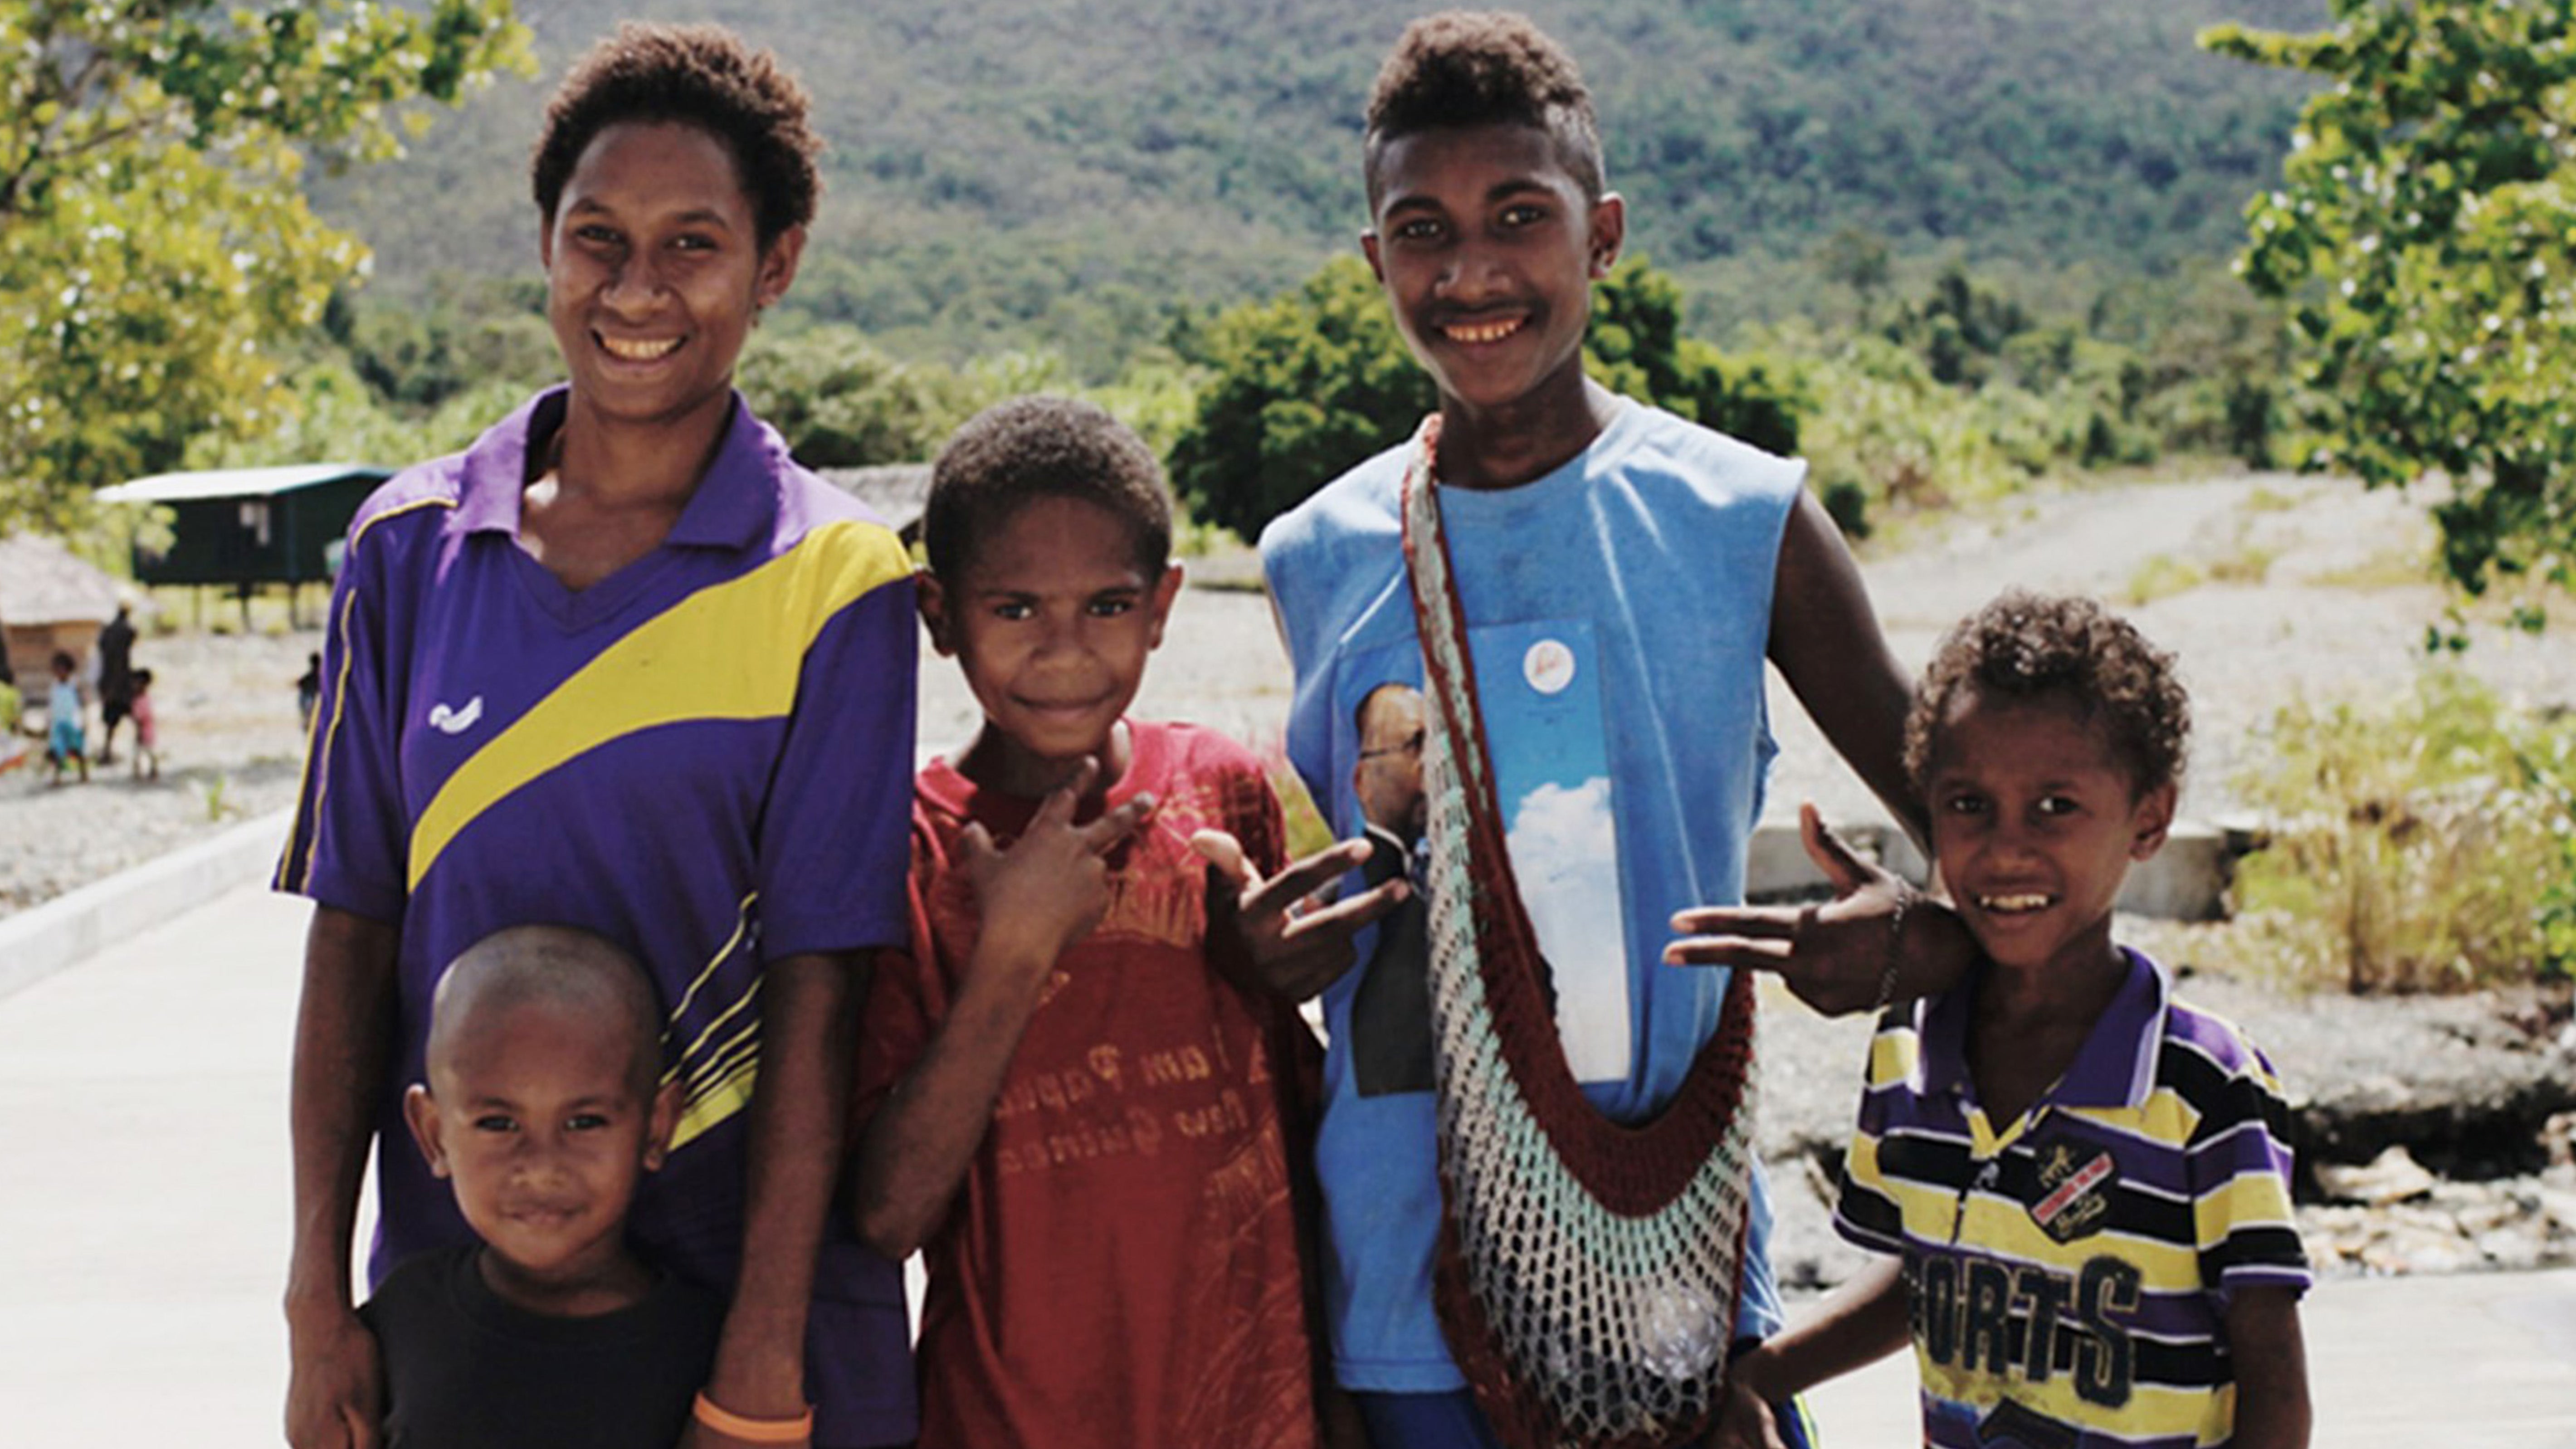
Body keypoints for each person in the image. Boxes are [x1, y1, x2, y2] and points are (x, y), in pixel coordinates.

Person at [1249, 13, 1971, 1446]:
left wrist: (1915, 940)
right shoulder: (1317, 551)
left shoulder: (1741, 517)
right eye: (1421, 229)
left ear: (1604, 234)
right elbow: (1340, 888)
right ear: (1373, 261)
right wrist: (1265, 962)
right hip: (1404, 1257)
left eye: (1521, 216)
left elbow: (1981, 831)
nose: (1471, 271)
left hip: (1669, 1246)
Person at [274, 24, 919, 1449]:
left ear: (778, 263)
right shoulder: (409, 549)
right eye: (597, 239)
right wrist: (319, 1298)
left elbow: (823, 992)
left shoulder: (834, 579)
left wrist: (759, 1350)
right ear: (547, 247)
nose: (637, 289)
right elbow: (353, 938)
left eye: (694, 242)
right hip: (462, 1315)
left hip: (747, 1307)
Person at [849, 396, 1339, 1449]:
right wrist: (1012, 955)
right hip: (1011, 1420)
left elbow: (1299, 1125)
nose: (1065, 653)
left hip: (1254, 1413)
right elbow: (886, 1214)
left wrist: (1271, 975)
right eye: (1016, 609)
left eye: (1108, 607)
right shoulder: (910, 848)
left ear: (1162, 605)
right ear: (938, 614)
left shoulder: (1221, 788)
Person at [1713, 591, 2314, 1449]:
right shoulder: (1908, 1050)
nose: (2005, 849)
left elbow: (2275, 1384)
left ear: (2151, 817)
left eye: (2055, 806)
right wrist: (1764, 1377)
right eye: (1968, 806)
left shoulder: (2204, 1084)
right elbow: (1926, 1275)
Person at [366, 925, 723, 1448]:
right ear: (434, 1134)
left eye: (584, 1123)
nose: (540, 1167)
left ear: (656, 1127)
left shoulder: (707, 1344)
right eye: (497, 1123)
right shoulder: (401, 1320)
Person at [95, 600, 135, 764]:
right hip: (121, 682)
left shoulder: (107, 631)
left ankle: (108, 751)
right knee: (133, 717)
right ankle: (140, 751)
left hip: (109, 679)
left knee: (112, 722)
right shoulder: (126, 631)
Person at [44, 650, 90, 785]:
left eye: (61, 669)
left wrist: (85, 720)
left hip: (74, 722)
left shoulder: (75, 684)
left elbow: (83, 703)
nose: (59, 672)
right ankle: (57, 777)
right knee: (58, 749)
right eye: (56, 669)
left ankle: (84, 774)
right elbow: (51, 705)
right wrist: (48, 722)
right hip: (58, 723)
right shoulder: (54, 686)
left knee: (79, 749)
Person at [127, 667, 159, 780]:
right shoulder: (139, 699)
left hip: (144, 730)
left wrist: (139, 732)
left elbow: (142, 718)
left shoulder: (143, 700)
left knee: (144, 751)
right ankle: (140, 771)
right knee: (142, 752)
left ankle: (150, 770)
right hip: (145, 730)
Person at [297, 651, 323, 733]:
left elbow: (299, 685)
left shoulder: (307, 678)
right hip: (314, 704)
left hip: (308, 703)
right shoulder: (321, 678)